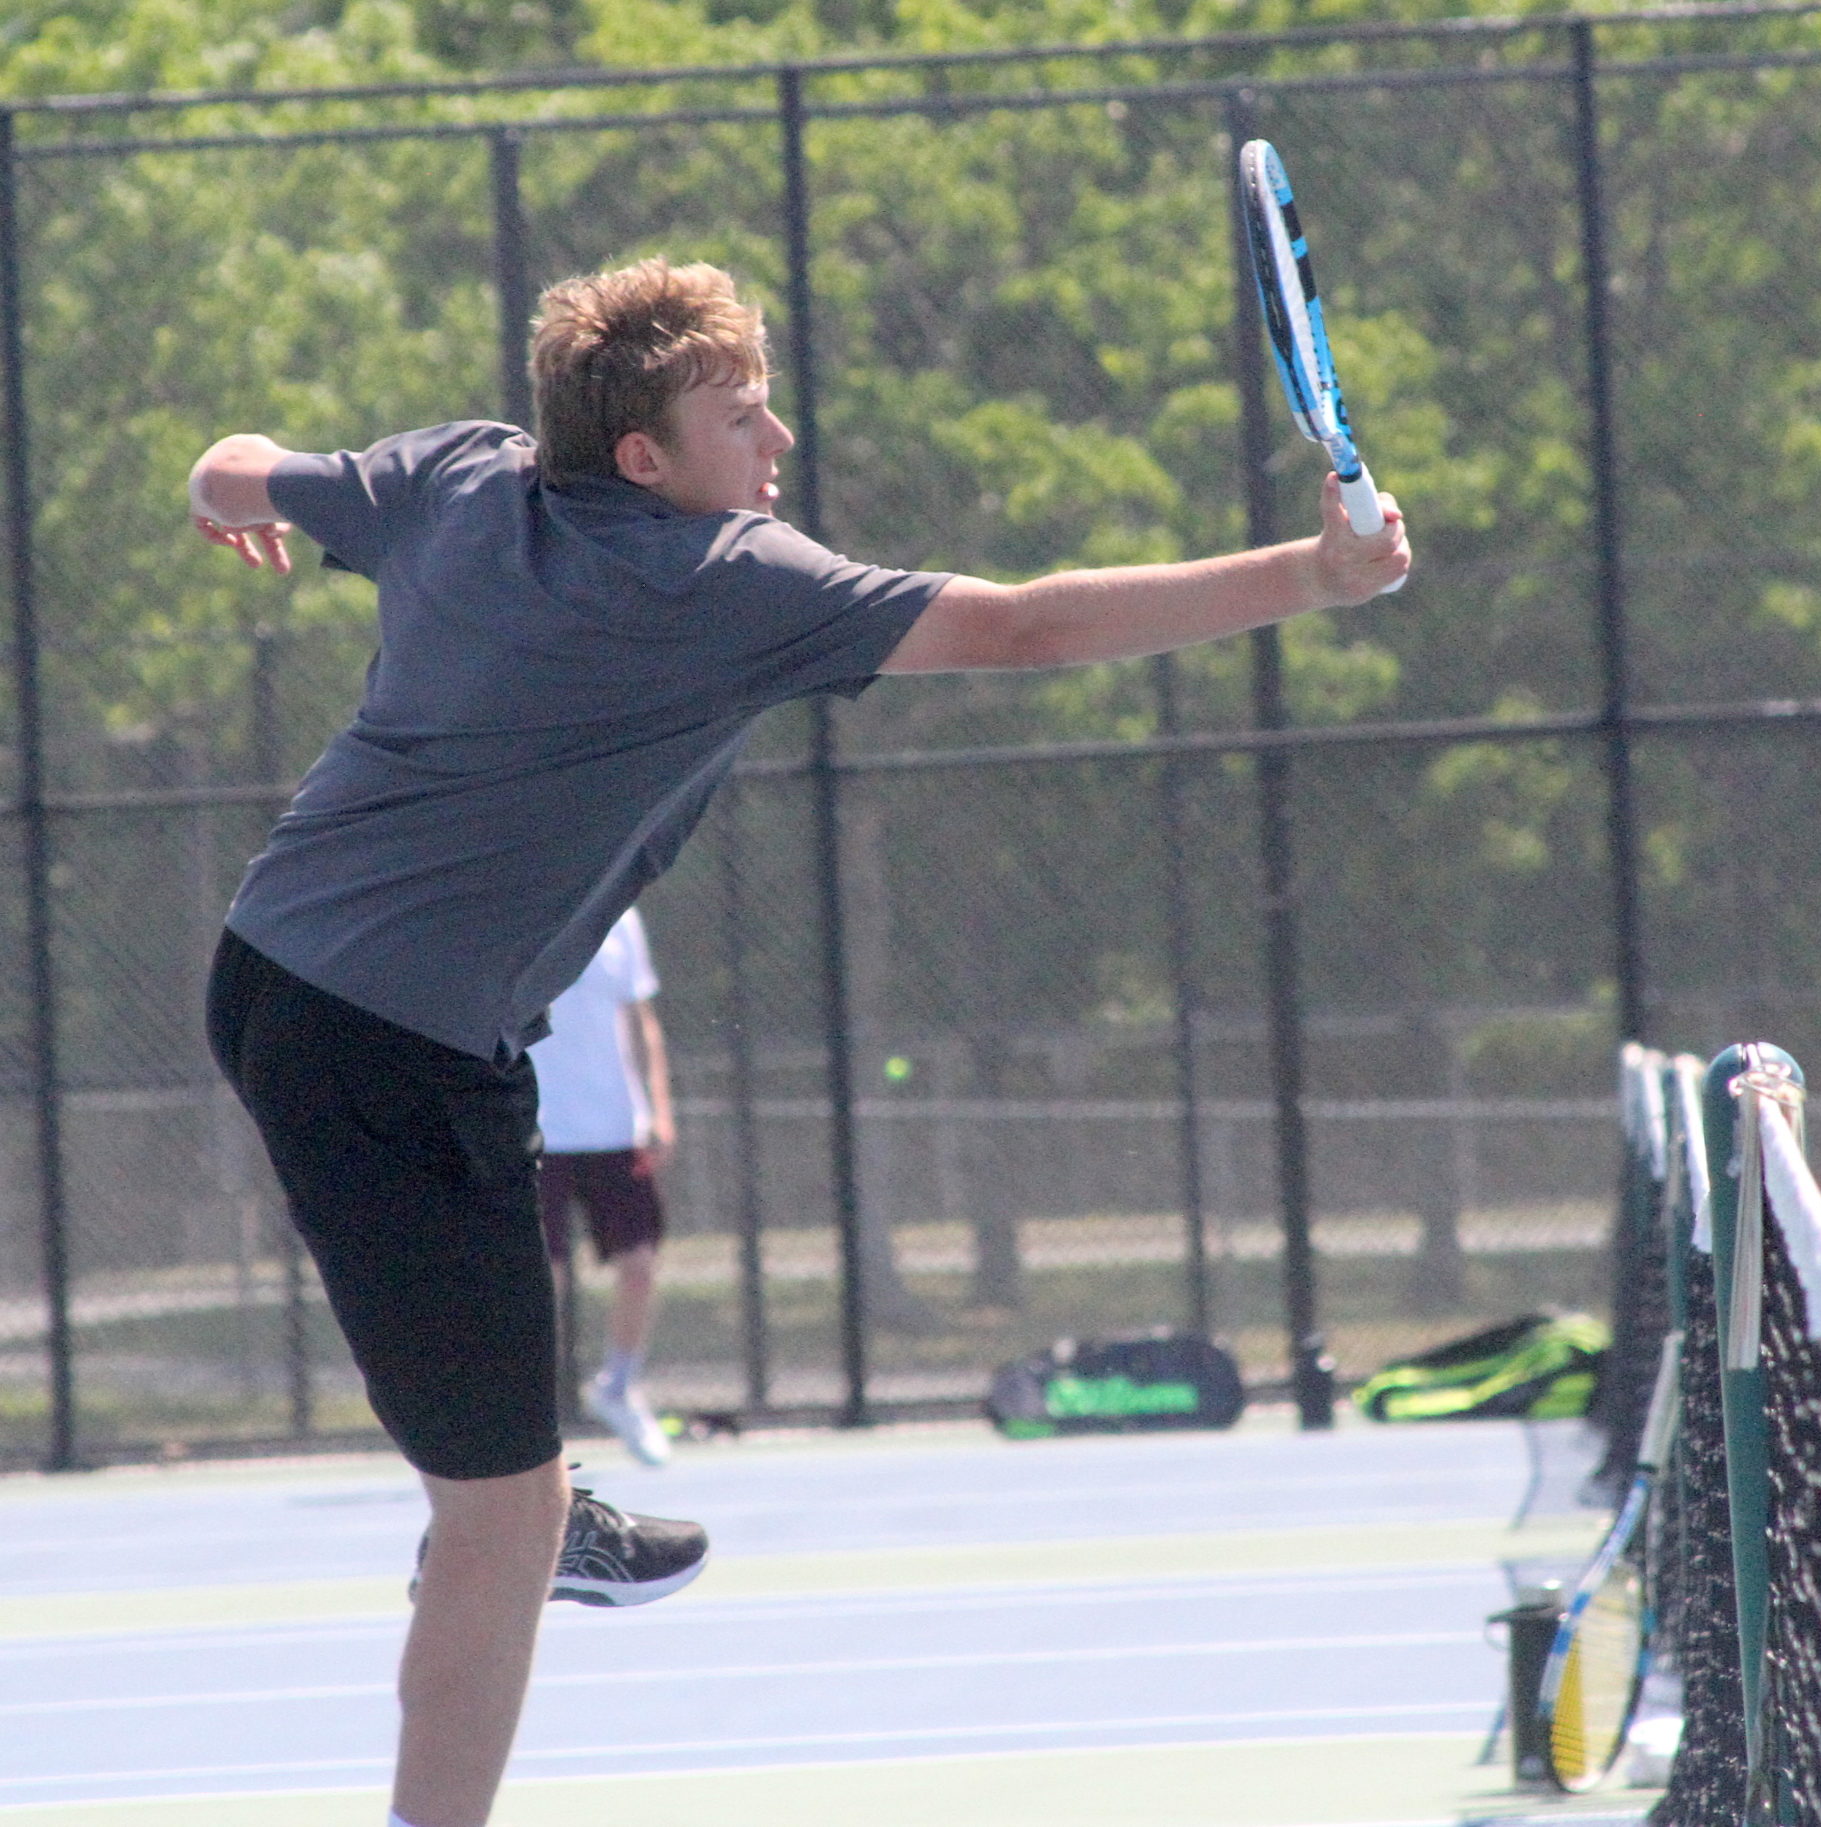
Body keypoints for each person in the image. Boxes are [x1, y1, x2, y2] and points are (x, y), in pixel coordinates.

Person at [193, 256, 1408, 1827]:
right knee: (497, 1516)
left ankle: (518, 1509)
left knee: (500, 1480)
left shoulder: (460, 472)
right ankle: (501, 1575)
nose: (777, 444)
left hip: (276, 962)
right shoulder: (719, 579)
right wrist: (1311, 575)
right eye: (741, 415)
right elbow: (1024, 630)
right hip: (387, 1048)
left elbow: (234, 461)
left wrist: (241, 492)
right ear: (646, 459)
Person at [531, 905, 679, 1465]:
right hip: (536, 1129)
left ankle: (617, 1387)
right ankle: (520, 1418)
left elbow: (642, 1021)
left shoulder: (623, 916)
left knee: (639, 1264)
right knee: (539, 1279)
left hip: (616, 1129)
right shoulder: (512, 902)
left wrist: (658, 1111)